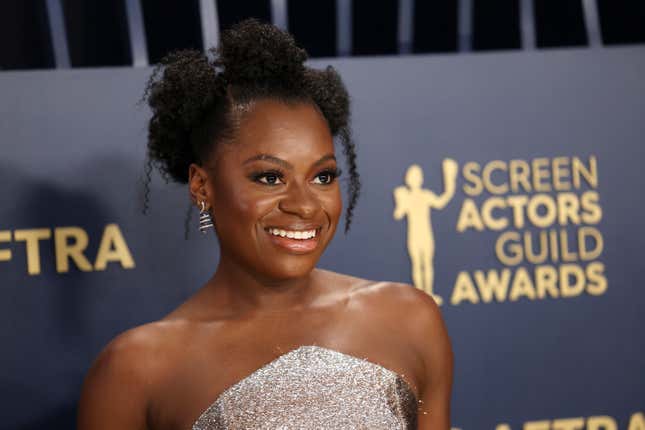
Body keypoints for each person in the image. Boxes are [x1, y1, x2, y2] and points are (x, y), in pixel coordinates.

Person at [77, 19, 453, 430]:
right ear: (202, 185)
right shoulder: (135, 370)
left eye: (322, 176)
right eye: (270, 178)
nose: (304, 206)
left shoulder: (410, 319)